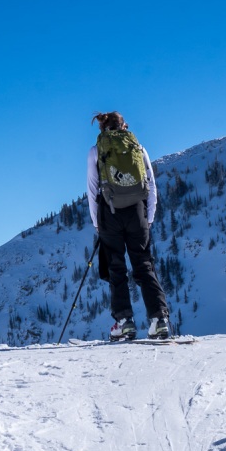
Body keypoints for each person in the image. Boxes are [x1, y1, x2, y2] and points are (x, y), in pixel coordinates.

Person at [86, 111, 169, 340]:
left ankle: (125, 322)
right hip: (137, 212)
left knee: (116, 267)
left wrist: (97, 224)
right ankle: (159, 319)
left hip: (109, 214)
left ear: (103, 128)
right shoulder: (138, 148)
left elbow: (93, 190)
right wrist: (149, 217)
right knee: (143, 264)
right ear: (124, 126)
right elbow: (150, 185)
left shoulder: (96, 151)